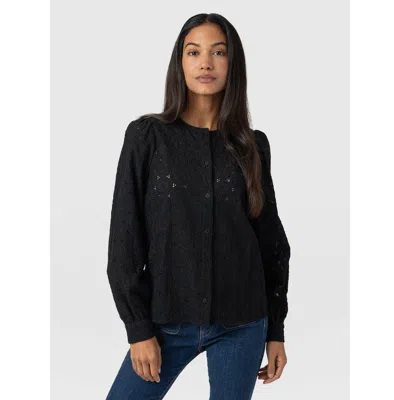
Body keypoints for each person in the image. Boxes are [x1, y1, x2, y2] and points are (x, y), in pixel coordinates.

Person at [106, 12, 291, 400]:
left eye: (218, 52)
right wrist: (138, 330)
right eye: (194, 52)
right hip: (166, 323)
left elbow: (272, 245)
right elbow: (125, 240)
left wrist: (275, 331)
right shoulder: (147, 138)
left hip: (242, 324)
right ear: (180, 63)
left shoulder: (252, 146)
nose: (206, 62)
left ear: (232, 64)